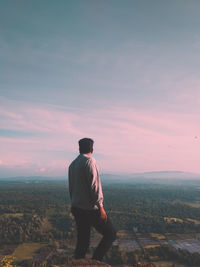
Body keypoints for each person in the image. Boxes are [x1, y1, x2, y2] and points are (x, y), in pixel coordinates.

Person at [68, 138, 116, 261]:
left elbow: (71, 188)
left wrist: (73, 204)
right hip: (90, 209)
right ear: (92, 150)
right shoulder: (90, 161)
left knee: (83, 242)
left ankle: (78, 263)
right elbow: (95, 186)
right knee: (110, 234)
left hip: (77, 207)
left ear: (79, 149)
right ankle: (95, 261)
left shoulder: (72, 164)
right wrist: (100, 206)